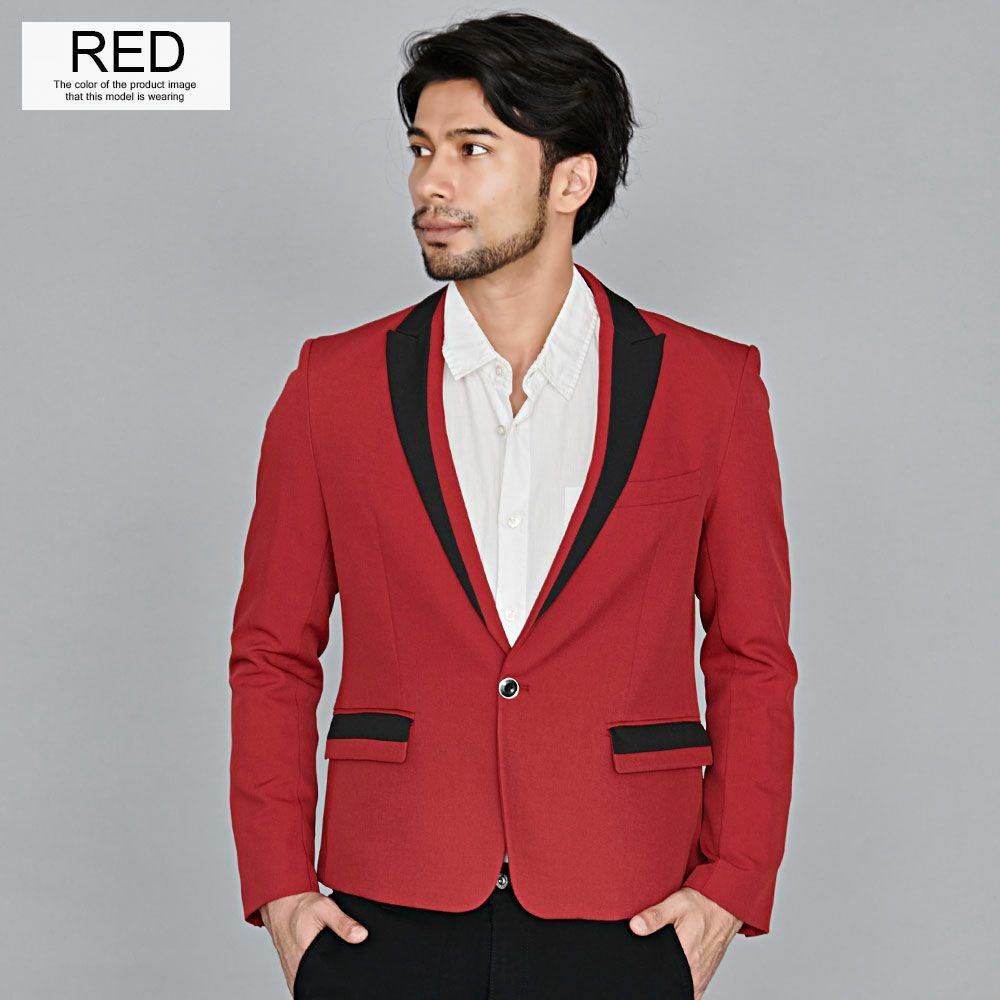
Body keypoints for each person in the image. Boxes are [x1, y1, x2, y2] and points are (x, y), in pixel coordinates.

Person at [228, 12, 797, 999]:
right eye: (421, 150)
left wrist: (731, 884)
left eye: (472, 149)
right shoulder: (331, 387)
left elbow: (751, 655)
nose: (430, 184)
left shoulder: (711, 389)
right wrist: (279, 884)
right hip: (384, 903)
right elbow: (272, 650)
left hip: (625, 900)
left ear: (569, 181)